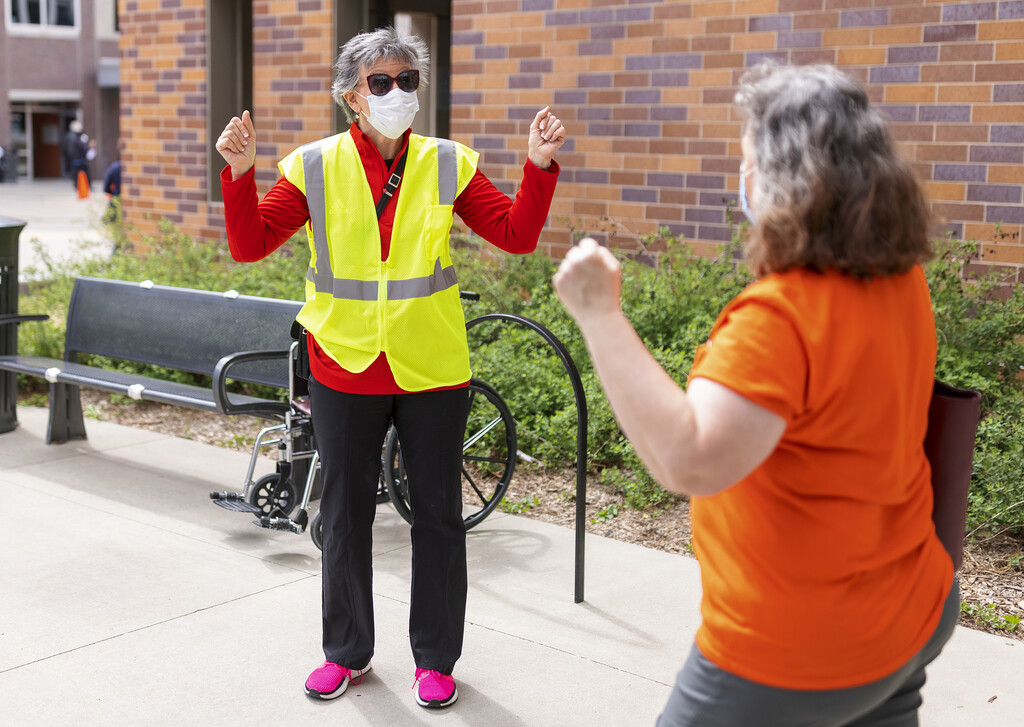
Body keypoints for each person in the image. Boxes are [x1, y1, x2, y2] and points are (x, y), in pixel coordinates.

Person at [552, 64, 956, 726]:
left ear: (784, 179)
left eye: (746, 162)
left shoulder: (781, 317)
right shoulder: (901, 278)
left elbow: (689, 459)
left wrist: (600, 315)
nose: (741, 181)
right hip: (909, 612)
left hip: (793, 653)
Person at [214, 26, 565, 710]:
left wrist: (538, 164)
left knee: (437, 514)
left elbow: (516, 235)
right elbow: (250, 243)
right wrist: (240, 172)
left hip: (432, 367)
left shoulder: (446, 162)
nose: (397, 92)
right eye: (381, 82)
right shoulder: (312, 165)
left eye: (407, 81)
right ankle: (346, 653)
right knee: (344, 514)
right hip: (344, 365)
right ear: (353, 96)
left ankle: (436, 658)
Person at [63, 120, 95, 188]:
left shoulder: (68, 136)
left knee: (75, 173)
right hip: (80, 158)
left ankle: (76, 184)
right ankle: (88, 185)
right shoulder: (78, 138)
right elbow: (83, 148)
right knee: (85, 172)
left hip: (73, 158)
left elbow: (64, 147)